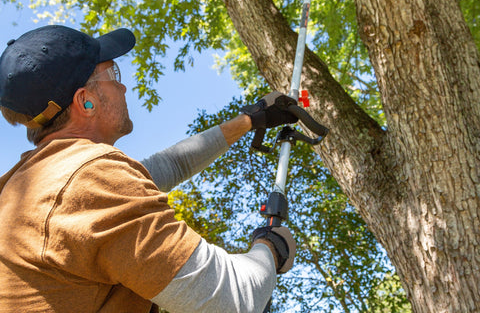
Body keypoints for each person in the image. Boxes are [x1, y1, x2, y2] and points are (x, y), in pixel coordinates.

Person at [0, 25, 297, 313]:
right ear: (85, 101)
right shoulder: (91, 181)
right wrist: (271, 248)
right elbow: (236, 301)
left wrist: (250, 120)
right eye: (112, 74)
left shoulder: (40, 181)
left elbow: (171, 164)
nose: (122, 85)